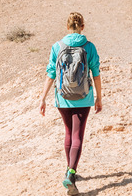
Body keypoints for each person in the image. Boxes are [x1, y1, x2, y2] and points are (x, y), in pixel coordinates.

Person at [40, 12, 102, 195]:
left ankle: (69, 168)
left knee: (68, 133)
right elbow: (96, 73)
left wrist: (42, 98)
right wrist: (99, 97)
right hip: (83, 97)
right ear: (82, 26)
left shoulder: (57, 47)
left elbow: (51, 73)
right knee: (78, 135)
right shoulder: (89, 47)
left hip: (63, 98)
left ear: (67, 27)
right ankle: (71, 173)